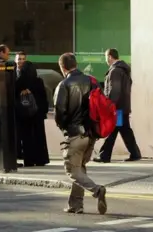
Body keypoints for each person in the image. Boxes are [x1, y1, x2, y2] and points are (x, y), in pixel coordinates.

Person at [54, 53, 107, 215]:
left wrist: (65, 130)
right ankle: (76, 205)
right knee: (80, 168)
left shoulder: (64, 84)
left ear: (63, 67)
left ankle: (97, 190)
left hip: (75, 134)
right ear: (76, 64)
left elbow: (60, 113)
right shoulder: (92, 82)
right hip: (91, 134)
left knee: (72, 170)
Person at [94, 48, 141, 163]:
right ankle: (135, 153)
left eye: (106, 57)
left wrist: (109, 105)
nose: (106, 60)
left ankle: (104, 156)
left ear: (110, 57)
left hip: (117, 108)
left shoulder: (115, 71)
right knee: (124, 130)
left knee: (113, 130)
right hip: (122, 107)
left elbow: (114, 90)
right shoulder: (124, 70)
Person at [15, 52, 50, 167]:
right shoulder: (38, 81)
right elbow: (44, 98)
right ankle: (41, 159)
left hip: (25, 115)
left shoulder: (19, 82)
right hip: (38, 114)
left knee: (27, 138)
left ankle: (29, 160)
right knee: (39, 136)